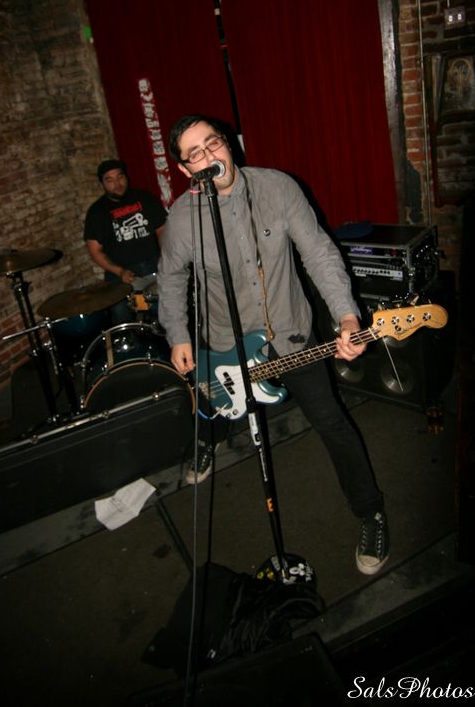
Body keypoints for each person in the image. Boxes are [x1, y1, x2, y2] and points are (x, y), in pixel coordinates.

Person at [157, 115, 389, 576]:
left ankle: (371, 513)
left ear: (228, 145)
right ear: (184, 169)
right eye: (195, 153)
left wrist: (346, 316)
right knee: (215, 402)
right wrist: (178, 334)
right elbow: (171, 278)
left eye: (213, 143)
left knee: (331, 422)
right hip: (225, 343)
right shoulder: (182, 217)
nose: (209, 156)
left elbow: (318, 252)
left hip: (291, 333)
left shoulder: (278, 187)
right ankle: (208, 439)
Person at [84, 159, 166, 324]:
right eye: (110, 180)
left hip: (154, 264)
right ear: (102, 183)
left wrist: (166, 257)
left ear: (126, 177)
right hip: (121, 275)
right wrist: (119, 271)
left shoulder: (144, 198)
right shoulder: (96, 212)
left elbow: (162, 230)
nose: (117, 184)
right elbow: (95, 251)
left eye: (120, 177)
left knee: (165, 311)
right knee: (123, 316)